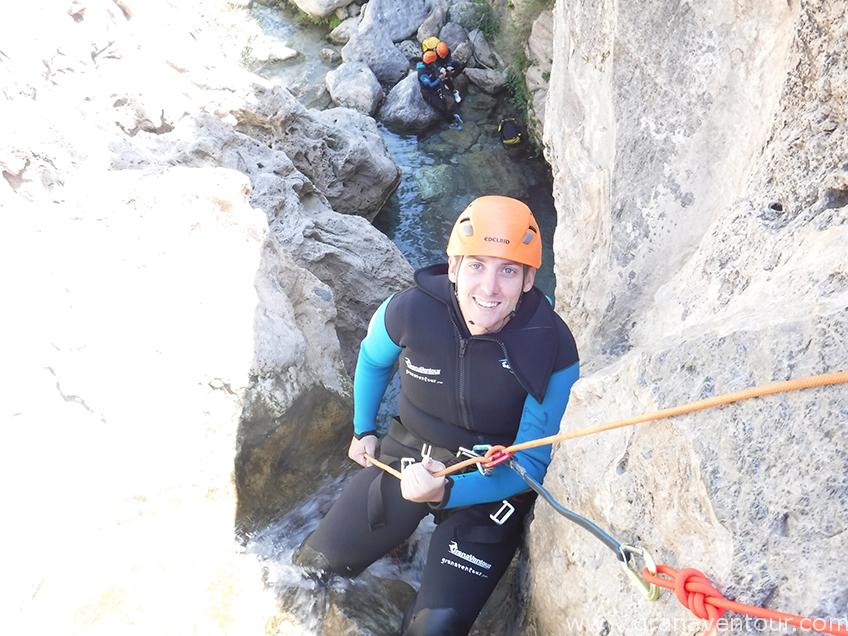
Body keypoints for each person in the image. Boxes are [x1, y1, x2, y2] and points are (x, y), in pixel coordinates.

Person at [294, 196, 580, 635]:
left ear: (528, 279)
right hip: (406, 454)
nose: (489, 288)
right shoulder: (411, 310)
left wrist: (444, 493)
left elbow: (529, 465)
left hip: (490, 485)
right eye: (477, 266)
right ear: (453, 267)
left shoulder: (553, 348)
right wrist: (364, 429)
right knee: (309, 570)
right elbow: (372, 360)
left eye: (508, 270)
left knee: (433, 632)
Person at [417, 49, 461, 126]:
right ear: (430, 63)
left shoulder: (429, 65)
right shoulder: (422, 73)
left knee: (444, 102)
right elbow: (430, 85)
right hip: (428, 92)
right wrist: (439, 79)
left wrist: (442, 71)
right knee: (441, 108)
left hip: (436, 86)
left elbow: (436, 68)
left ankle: (451, 116)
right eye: (433, 62)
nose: (435, 63)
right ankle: (451, 122)